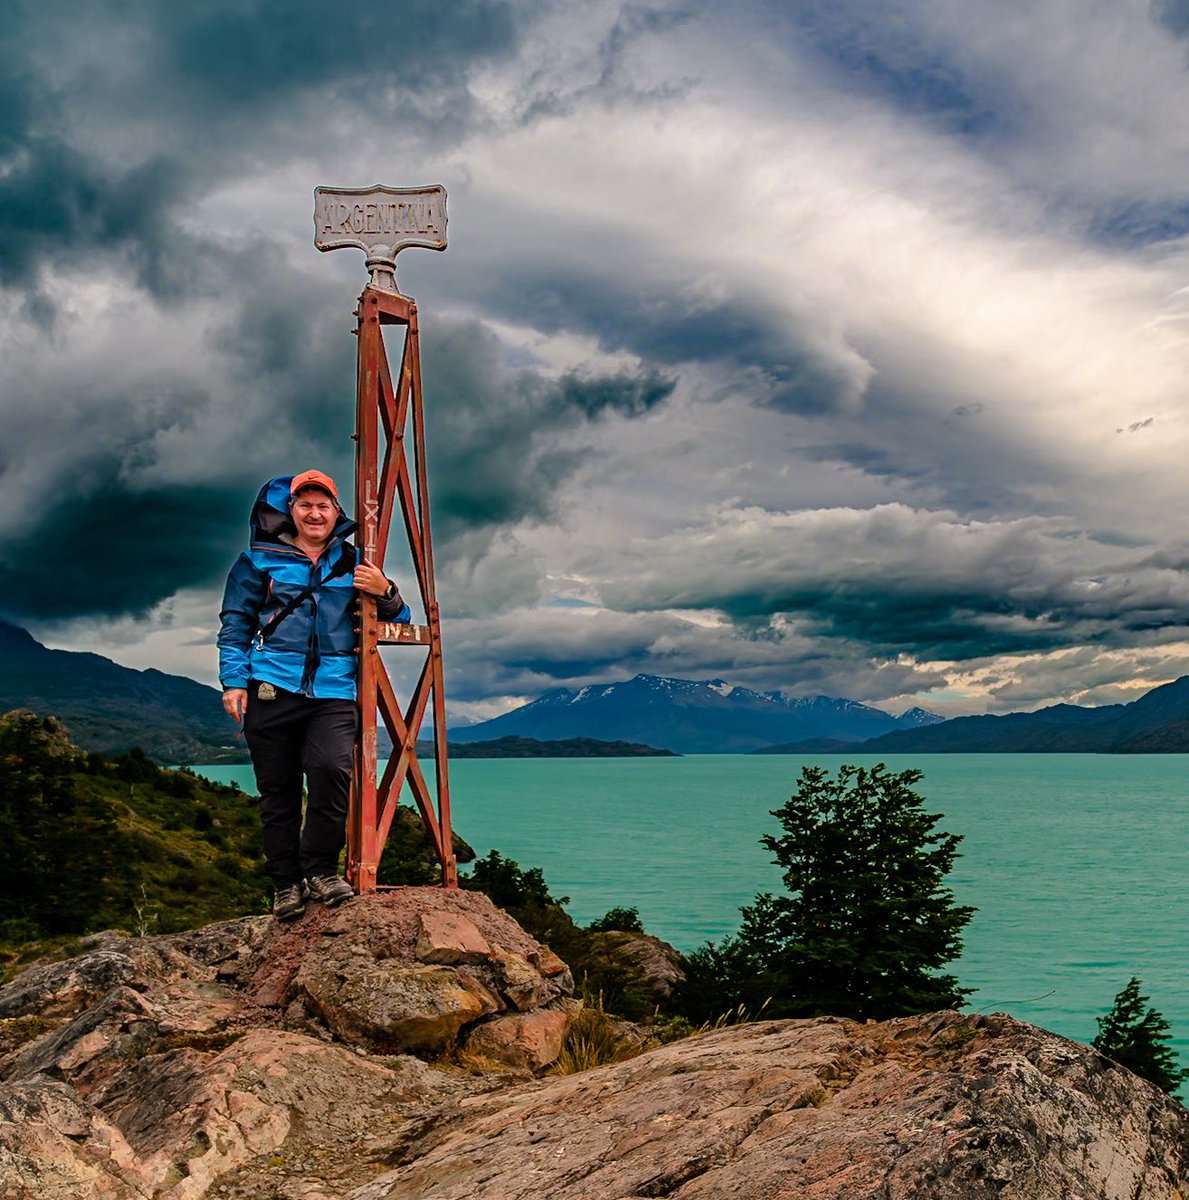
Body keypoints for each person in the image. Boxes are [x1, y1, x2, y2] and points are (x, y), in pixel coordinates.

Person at [218, 470, 411, 921]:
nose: (314, 513)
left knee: (331, 771)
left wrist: (385, 590)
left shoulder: (354, 561)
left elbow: (398, 620)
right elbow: (235, 623)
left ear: (336, 512)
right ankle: (286, 883)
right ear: (291, 511)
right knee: (278, 790)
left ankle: (320, 870)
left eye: (323, 505)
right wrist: (234, 682)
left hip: (335, 689)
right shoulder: (258, 561)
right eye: (305, 505)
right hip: (271, 685)